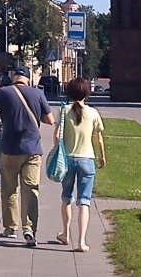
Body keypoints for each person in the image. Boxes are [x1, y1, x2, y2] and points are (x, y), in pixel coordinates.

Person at [0, 63, 54, 246]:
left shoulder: (4, 93)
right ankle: (29, 228)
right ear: (28, 79)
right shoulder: (38, 94)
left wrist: (2, 109)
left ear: (14, 77)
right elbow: (50, 120)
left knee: (9, 189)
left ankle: (10, 228)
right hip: (32, 150)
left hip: (10, 149)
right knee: (30, 190)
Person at [55, 76, 106, 252]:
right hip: (87, 160)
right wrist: (102, 157)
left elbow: (57, 135)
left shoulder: (63, 111)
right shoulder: (93, 113)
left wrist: (57, 152)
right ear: (87, 93)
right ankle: (82, 241)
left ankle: (65, 234)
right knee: (84, 201)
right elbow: (98, 138)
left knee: (66, 198)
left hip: (67, 160)